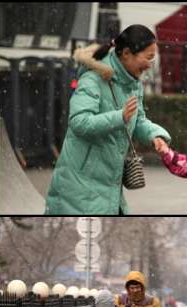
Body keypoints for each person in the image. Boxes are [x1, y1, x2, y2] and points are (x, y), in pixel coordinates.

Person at [45, 24, 171, 214]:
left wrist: (155, 136)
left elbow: (137, 121)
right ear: (127, 53)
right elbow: (79, 122)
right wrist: (119, 116)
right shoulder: (92, 79)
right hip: (80, 186)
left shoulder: (133, 84)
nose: (150, 64)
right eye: (148, 57)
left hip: (109, 186)